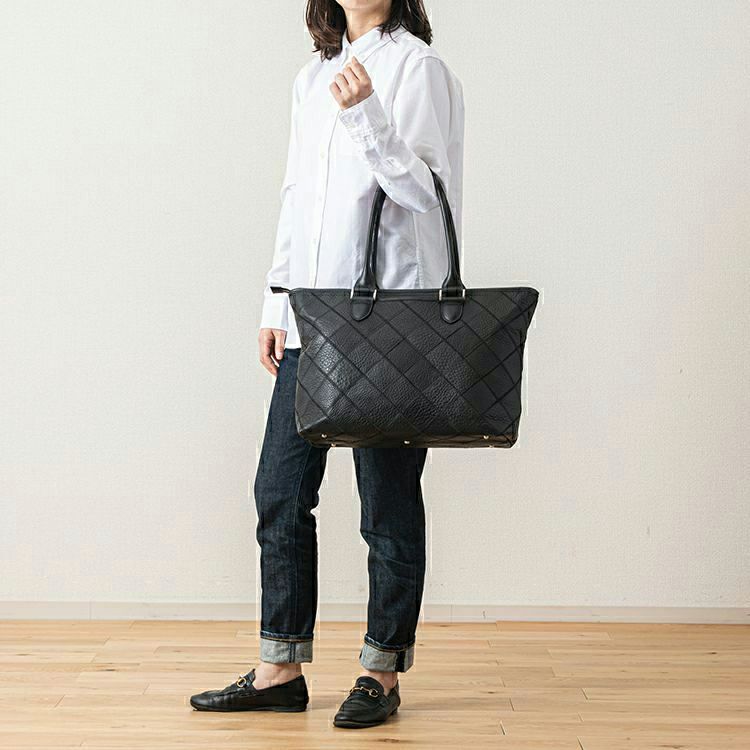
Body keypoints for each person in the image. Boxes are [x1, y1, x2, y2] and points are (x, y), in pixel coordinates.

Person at [190, 0, 464, 729]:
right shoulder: (312, 77)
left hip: (389, 321)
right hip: (312, 318)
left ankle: (382, 670)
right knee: (280, 492)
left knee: (386, 502)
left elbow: (425, 196)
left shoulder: (419, 69)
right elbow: (297, 200)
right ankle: (280, 668)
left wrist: (368, 115)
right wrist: (275, 304)